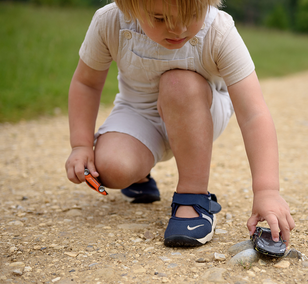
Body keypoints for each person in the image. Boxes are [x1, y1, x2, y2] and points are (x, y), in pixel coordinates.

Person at [64, 0, 295, 247]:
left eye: (191, 15)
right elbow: (86, 83)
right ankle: (140, 173)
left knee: (177, 84)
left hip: (199, 111)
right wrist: (81, 145)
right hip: (139, 115)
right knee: (111, 168)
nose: (178, 30)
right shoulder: (109, 22)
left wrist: (267, 190)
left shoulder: (219, 31)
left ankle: (193, 197)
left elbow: (253, 113)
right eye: (160, 18)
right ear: (128, 7)